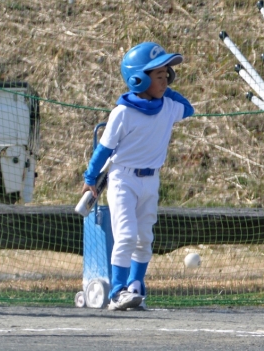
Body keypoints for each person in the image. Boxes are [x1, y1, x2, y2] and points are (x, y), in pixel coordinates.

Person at [81, 42, 194, 311]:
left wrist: (165, 87)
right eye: (158, 75)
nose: (165, 80)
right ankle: (116, 292)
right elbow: (104, 149)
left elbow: (188, 108)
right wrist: (90, 177)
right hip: (124, 179)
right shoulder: (123, 113)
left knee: (144, 238)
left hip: (151, 180)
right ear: (138, 79)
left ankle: (135, 285)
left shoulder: (167, 106)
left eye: (167, 74)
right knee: (126, 235)